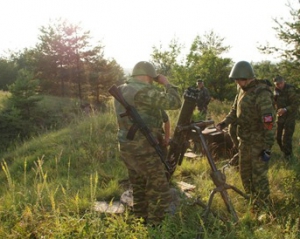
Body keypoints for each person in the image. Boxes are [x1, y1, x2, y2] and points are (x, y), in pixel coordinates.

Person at [113, 61, 182, 226]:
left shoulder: (123, 89)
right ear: (148, 76)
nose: (153, 82)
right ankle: (156, 227)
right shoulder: (142, 91)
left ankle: (141, 221)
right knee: (159, 190)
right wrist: (166, 83)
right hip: (143, 149)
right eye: (152, 79)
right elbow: (175, 102)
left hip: (127, 148)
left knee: (139, 187)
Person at [216, 61, 276, 205]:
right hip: (245, 141)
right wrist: (224, 123)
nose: (237, 82)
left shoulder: (262, 93)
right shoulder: (241, 91)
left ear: (248, 77)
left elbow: (269, 122)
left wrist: (267, 148)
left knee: (259, 176)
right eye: (235, 79)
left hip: (259, 142)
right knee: (245, 173)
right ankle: (252, 201)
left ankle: (265, 206)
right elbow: (233, 111)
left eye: (239, 79)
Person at [273, 75, 299, 160]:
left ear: (284, 81)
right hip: (280, 115)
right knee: (278, 137)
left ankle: (288, 156)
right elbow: (274, 102)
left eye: (281, 83)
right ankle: (285, 152)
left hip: (290, 115)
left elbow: (295, 104)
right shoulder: (276, 90)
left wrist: (285, 109)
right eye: (277, 84)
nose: (280, 85)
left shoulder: (290, 89)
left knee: (286, 137)